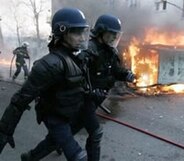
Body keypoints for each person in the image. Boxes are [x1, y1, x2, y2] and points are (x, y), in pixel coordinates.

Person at [19, 14, 135, 161]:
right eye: (111, 34)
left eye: (116, 35)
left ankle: (32, 156)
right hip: (82, 99)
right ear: (101, 32)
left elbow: (114, 70)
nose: (114, 38)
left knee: (67, 135)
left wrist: (126, 75)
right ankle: (33, 156)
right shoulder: (88, 50)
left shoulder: (109, 51)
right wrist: (89, 90)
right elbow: (72, 72)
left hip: (92, 99)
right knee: (83, 134)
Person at [0, 7, 91, 161]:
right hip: (55, 116)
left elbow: (77, 85)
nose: (82, 38)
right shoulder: (48, 65)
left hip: (70, 112)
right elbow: (19, 101)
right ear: (62, 32)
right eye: (77, 32)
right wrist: (4, 132)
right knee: (78, 156)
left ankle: (30, 157)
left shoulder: (78, 58)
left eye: (83, 32)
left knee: (54, 141)